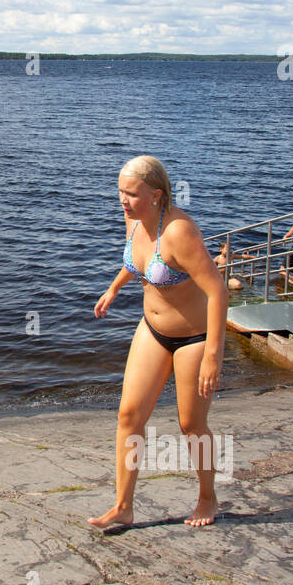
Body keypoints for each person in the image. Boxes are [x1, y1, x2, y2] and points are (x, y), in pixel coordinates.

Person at [90, 155, 228, 530]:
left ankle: (207, 496)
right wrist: (114, 287)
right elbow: (139, 261)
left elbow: (217, 292)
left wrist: (213, 355)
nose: (123, 200)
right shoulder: (134, 219)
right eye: (120, 191)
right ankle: (123, 506)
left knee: (191, 425)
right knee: (128, 416)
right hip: (152, 330)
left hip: (194, 339)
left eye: (131, 194)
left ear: (156, 195)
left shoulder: (180, 232)